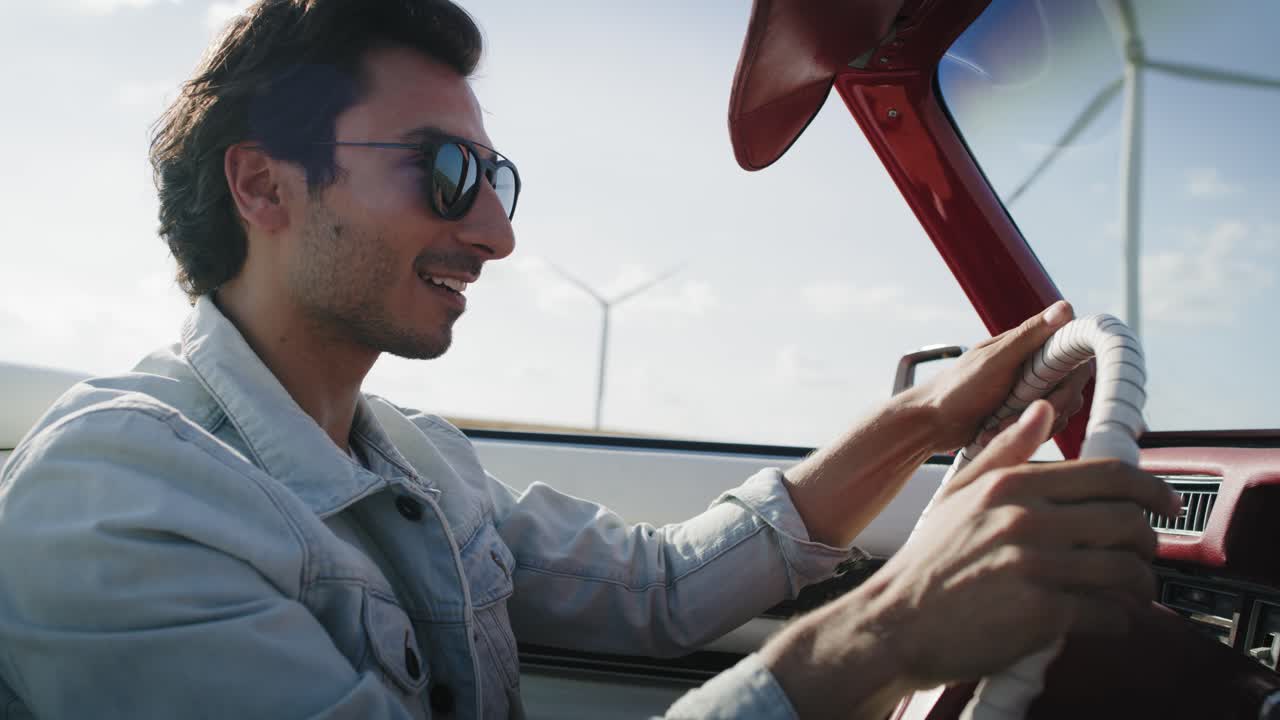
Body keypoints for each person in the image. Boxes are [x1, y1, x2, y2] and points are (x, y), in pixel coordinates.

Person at [0, 1, 1179, 718]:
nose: (498, 233)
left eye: (496, 180)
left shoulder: (418, 459)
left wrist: (923, 421)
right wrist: (890, 630)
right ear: (261, 184)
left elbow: (664, 590)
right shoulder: (117, 503)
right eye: (447, 173)